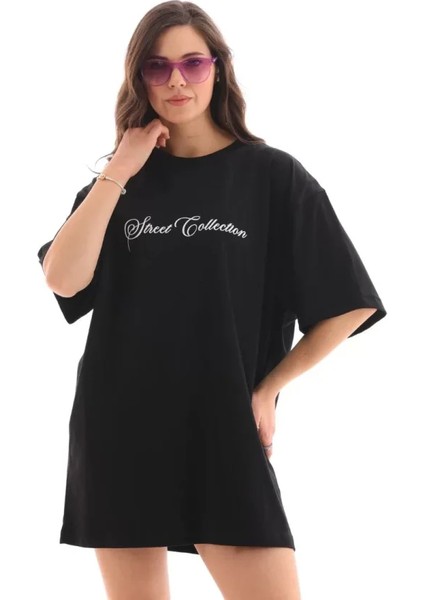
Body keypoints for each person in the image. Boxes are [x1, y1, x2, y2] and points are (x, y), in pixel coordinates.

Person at [36, 2, 387, 599]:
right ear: (140, 78)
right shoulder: (119, 185)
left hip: (225, 426)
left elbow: (348, 302)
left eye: (193, 63)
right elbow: (63, 280)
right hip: (122, 427)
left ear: (218, 69)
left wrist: (269, 388)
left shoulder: (272, 176)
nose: (176, 79)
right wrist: (120, 167)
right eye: (158, 66)